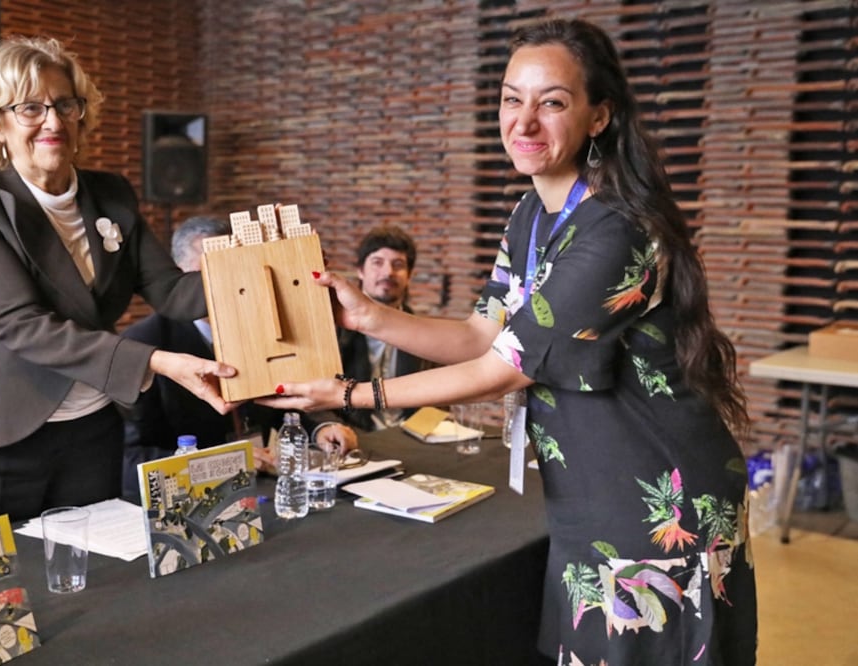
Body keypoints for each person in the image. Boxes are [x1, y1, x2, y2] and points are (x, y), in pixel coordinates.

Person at [265, 18, 755, 665]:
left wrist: (350, 392)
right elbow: (479, 332)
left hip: (657, 494)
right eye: (510, 98)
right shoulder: (530, 216)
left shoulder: (613, 229)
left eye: (551, 102)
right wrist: (369, 318)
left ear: (598, 116)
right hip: (590, 487)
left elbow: (503, 367)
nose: (522, 122)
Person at [0, 36, 234, 535]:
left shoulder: (111, 193)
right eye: (30, 108)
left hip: (88, 430)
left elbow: (171, 291)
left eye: (65, 104)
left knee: (87, 582)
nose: (54, 122)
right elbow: (18, 324)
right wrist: (156, 361)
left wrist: (258, 275)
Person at [120, 216, 356, 495]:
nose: (223, 289)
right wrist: (224, 464)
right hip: (192, 500)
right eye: (207, 276)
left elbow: (284, 396)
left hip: (261, 486)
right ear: (177, 277)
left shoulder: (261, 327)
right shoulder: (144, 345)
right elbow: (129, 462)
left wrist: (322, 427)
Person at [338, 225, 431, 431]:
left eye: (398, 265)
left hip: (410, 439)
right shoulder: (336, 331)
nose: (388, 272)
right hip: (353, 437)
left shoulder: (423, 331)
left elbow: (439, 400)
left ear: (409, 275)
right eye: (377, 263)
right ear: (360, 271)